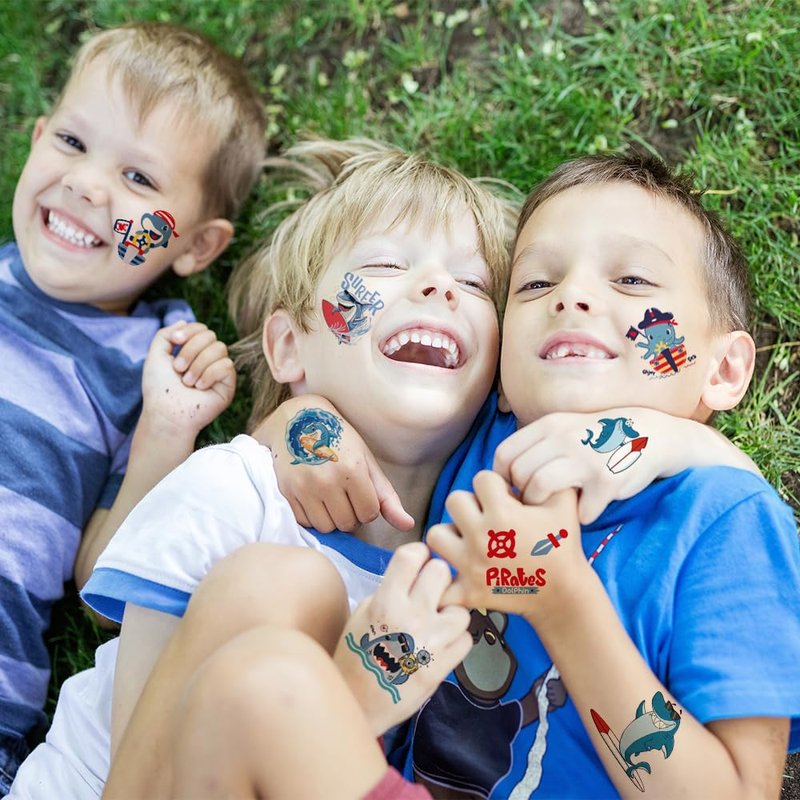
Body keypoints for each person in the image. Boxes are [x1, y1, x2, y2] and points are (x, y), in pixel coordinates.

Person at [7, 137, 515, 799]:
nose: (439, 286)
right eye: (387, 263)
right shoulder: (233, 492)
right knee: (289, 582)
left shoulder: (461, 568)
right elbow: (140, 774)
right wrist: (356, 701)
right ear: (288, 347)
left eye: (474, 284)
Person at [402, 152, 800, 797]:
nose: (571, 295)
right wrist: (304, 425)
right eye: (535, 284)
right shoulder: (475, 439)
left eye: (633, 279)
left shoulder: (726, 521)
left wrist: (562, 603)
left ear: (724, 370)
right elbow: (353, 390)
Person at [0, 21, 264, 792]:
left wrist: (168, 425)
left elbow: (104, 591)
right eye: (72, 143)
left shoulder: (148, 370)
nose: (87, 184)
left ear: (196, 247)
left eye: (139, 179)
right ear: (37, 139)